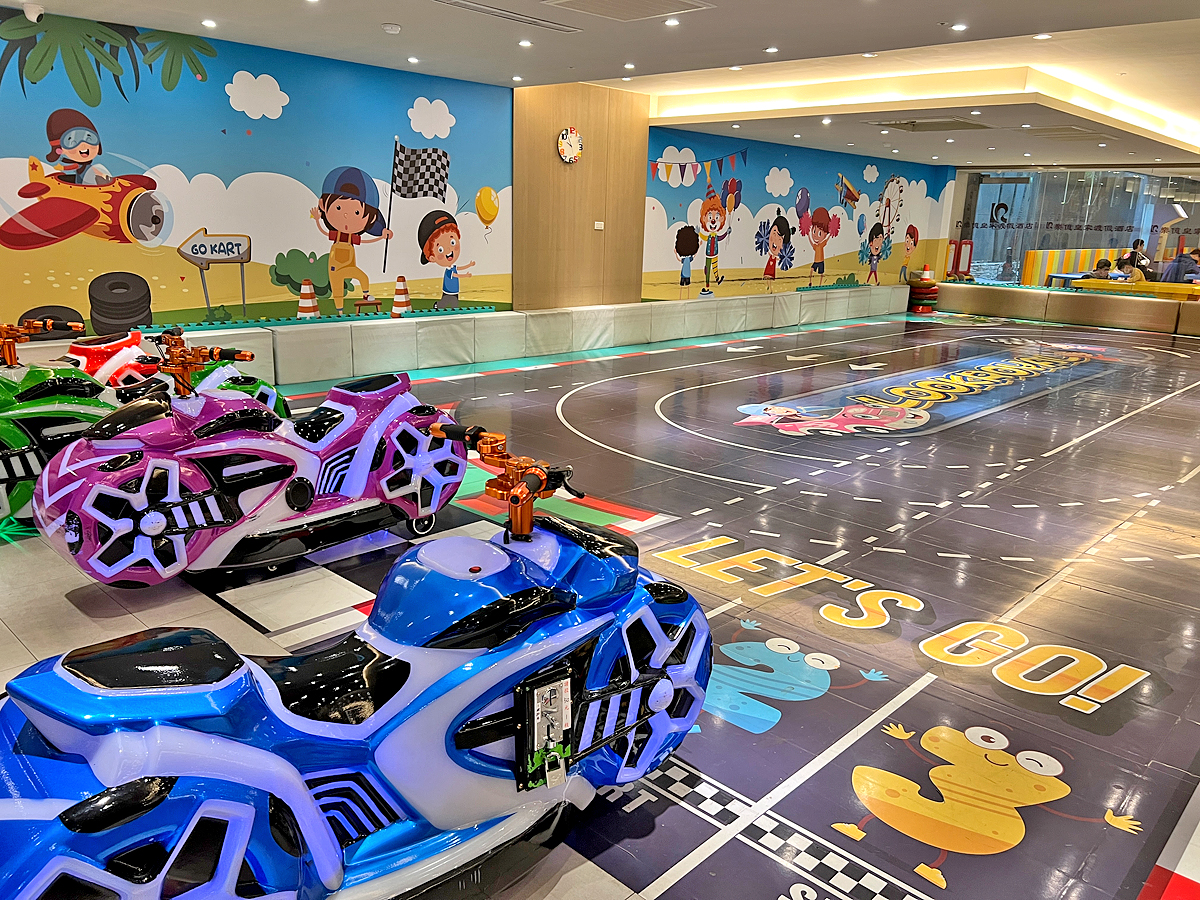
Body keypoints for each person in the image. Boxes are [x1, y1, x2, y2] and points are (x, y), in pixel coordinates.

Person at [311, 166, 393, 315]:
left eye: (356, 212)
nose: (347, 216)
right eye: (338, 208)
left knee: (363, 277)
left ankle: (365, 295)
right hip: (335, 268)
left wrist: (381, 235)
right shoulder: (338, 236)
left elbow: (364, 241)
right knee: (337, 289)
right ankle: (340, 312)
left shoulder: (350, 238)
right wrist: (317, 219)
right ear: (323, 205)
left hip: (349, 266)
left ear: (371, 218)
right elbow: (324, 231)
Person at [418, 210, 475, 309]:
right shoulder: (449, 271)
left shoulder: (452, 267)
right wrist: (465, 275)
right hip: (448, 291)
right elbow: (455, 275)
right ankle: (438, 305)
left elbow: (458, 268)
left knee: (454, 303)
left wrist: (469, 265)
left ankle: (454, 310)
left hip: (454, 291)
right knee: (445, 302)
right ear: (432, 258)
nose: (449, 249)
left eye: (453, 242)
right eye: (440, 249)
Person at [45, 109, 111, 185]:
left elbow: (93, 170)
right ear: (60, 149)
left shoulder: (95, 167)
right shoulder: (81, 165)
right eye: (72, 142)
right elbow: (74, 166)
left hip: (89, 182)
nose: (83, 144)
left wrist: (63, 168)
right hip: (83, 183)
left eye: (90, 138)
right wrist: (62, 168)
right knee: (79, 182)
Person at [675, 225, 700, 300]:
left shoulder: (688, 258)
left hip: (686, 274)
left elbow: (694, 256)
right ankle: (681, 297)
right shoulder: (687, 259)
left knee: (687, 286)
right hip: (684, 274)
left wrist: (699, 246)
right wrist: (675, 253)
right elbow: (680, 260)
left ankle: (687, 297)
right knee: (683, 285)